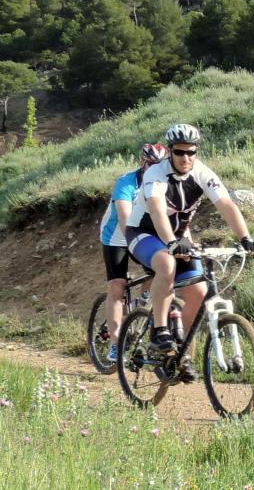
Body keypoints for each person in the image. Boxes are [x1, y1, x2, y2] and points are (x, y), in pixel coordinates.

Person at [125, 123, 254, 382]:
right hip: (143, 233)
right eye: (179, 152)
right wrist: (172, 243)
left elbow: (225, 204)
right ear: (169, 151)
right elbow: (155, 210)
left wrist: (245, 238)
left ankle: (182, 354)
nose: (186, 158)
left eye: (191, 152)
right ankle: (159, 329)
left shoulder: (201, 172)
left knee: (198, 292)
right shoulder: (156, 174)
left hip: (177, 238)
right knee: (166, 265)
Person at [99, 143, 168, 362]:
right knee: (117, 288)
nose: (155, 168)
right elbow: (124, 217)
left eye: (160, 165)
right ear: (142, 162)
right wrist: (134, 244)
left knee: (159, 271)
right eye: (151, 164)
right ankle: (115, 343)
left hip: (145, 232)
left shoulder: (165, 183)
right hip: (117, 236)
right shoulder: (126, 182)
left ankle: (143, 303)